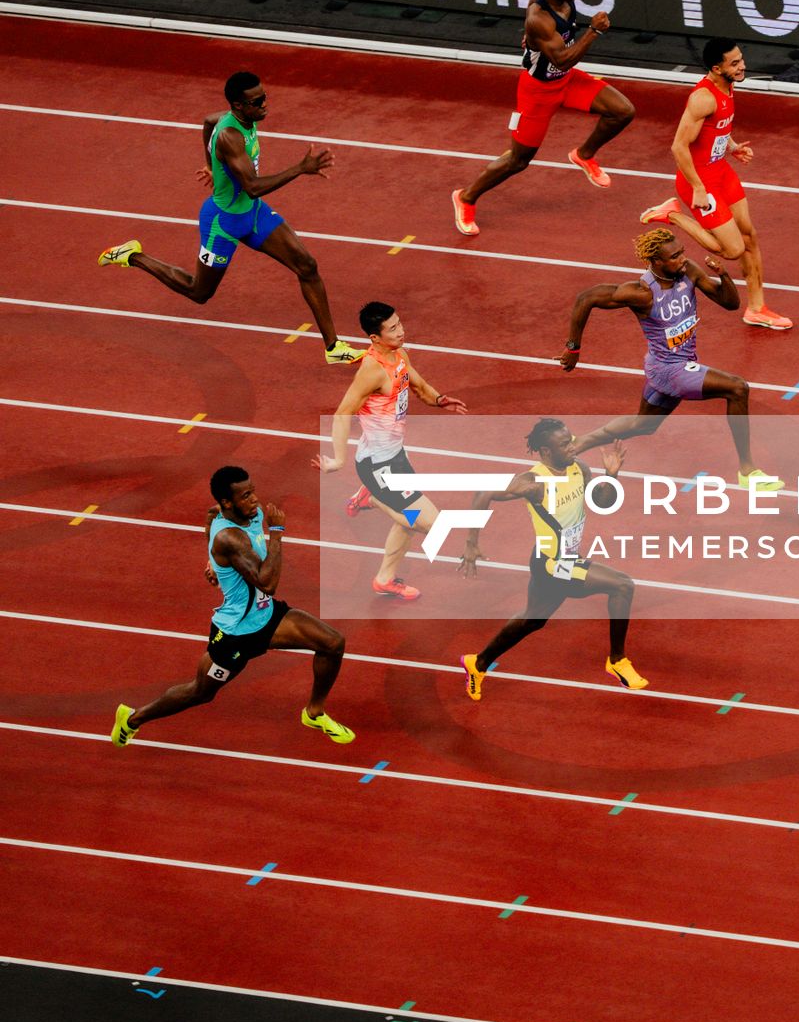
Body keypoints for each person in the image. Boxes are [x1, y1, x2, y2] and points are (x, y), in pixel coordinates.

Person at [97, 70, 364, 365]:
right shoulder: (230, 136)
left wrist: (210, 165)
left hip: (252, 214)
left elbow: (207, 121)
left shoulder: (235, 118)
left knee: (307, 266)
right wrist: (300, 169)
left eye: (265, 97)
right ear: (238, 105)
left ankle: (333, 347)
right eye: (257, 101)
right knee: (199, 292)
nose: (265, 104)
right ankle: (133, 256)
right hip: (222, 223)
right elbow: (252, 187)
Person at [111, 464, 354, 747]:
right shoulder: (229, 538)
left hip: (267, 617)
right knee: (200, 692)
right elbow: (267, 583)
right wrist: (276, 532)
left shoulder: (240, 513)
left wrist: (212, 562)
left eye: (253, 492)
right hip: (236, 633)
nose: (254, 500)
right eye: (245, 495)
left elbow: (209, 514)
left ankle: (313, 712)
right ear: (228, 502)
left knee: (332, 643)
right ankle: (132, 719)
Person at [558, 227, 781, 488]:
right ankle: (747, 471)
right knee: (737, 388)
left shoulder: (688, 272)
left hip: (668, 366)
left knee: (643, 424)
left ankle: (579, 442)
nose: (682, 259)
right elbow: (586, 298)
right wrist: (573, 348)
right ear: (656, 262)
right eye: (674, 256)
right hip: (669, 369)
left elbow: (730, 304)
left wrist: (723, 275)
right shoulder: (641, 293)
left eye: (682, 252)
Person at [451, 0, 634, 235]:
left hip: (567, 81)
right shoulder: (538, 18)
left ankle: (584, 155)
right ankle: (466, 198)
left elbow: (563, 59)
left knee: (623, 111)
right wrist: (593, 32)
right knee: (518, 160)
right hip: (538, 92)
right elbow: (562, 59)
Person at [459, 419, 645, 698]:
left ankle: (478, 662)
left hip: (559, 559)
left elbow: (602, 502)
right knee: (622, 585)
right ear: (546, 451)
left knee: (533, 620)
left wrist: (611, 475)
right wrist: (471, 543)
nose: (572, 447)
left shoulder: (578, 468)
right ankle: (617, 661)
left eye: (571, 440)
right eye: (564, 444)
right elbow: (482, 494)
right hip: (552, 565)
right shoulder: (534, 482)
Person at [313, 300, 467, 601]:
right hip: (377, 466)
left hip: (397, 456)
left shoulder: (399, 354)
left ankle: (384, 579)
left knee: (407, 521)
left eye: (400, 323)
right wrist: (339, 460)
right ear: (374, 338)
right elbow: (342, 413)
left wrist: (439, 399)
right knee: (432, 523)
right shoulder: (371, 371)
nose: (401, 331)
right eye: (393, 328)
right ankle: (369, 498)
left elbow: (418, 385)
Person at [641, 37, 791, 330]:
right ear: (715, 68)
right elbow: (679, 147)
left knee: (749, 237)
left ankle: (757, 308)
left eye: (741, 59)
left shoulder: (728, 85)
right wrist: (697, 187)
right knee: (733, 250)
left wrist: (732, 146)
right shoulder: (703, 98)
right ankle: (671, 214)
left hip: (721, 171)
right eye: (734, 63)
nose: (742, 66)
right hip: (699, 181)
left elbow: (715, 128)